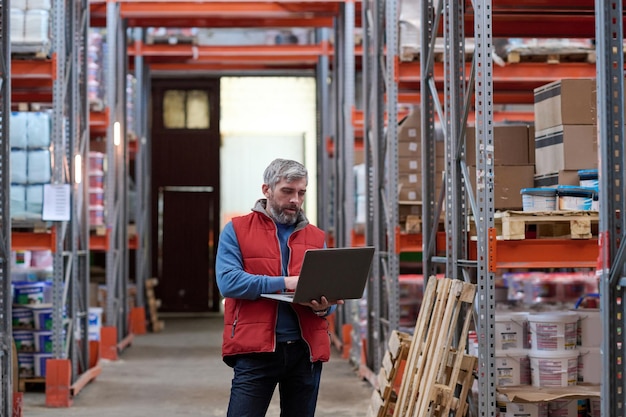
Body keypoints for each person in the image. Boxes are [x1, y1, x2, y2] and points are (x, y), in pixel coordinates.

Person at [215, 158, 342, 417]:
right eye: (287, 191)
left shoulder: (316, 237)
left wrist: (323, 308)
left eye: (301, 192)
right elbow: (228, 281)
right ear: (267, 190)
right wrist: (287, 283)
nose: (295, 199)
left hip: (305, 351)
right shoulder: (237, 230)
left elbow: (328, 294)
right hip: (255, 351)